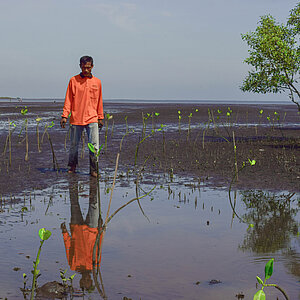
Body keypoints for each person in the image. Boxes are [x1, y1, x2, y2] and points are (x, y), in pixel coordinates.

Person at [60, 56, 104, 177]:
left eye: (88, 68)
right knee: (74, 144)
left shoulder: (97, 82)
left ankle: (94, 169)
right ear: (80, 66)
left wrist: (100, 117)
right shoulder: (73, 80)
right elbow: (68, 99)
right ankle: (72, 166)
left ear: (92, 67)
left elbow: (99, 101)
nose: (86, 70)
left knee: (94, 145)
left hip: (92, 118)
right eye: (84, 67)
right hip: (76, 118)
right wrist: (64, 116)